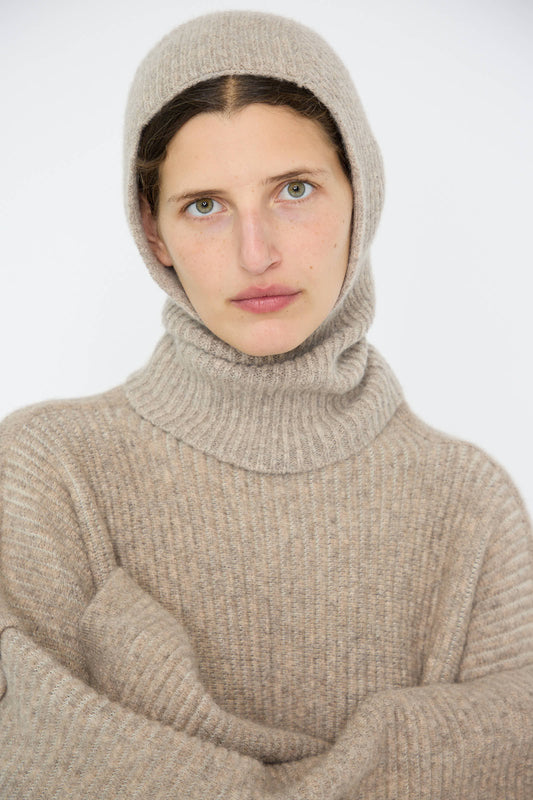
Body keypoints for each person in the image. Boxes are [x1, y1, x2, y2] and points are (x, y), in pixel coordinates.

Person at [0, 9, 531, 799]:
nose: (258, 253)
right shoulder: (44, 474)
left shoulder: (470, 505)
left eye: (294, 189)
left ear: (362, 193)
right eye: (204, 206)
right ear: (153, 232)